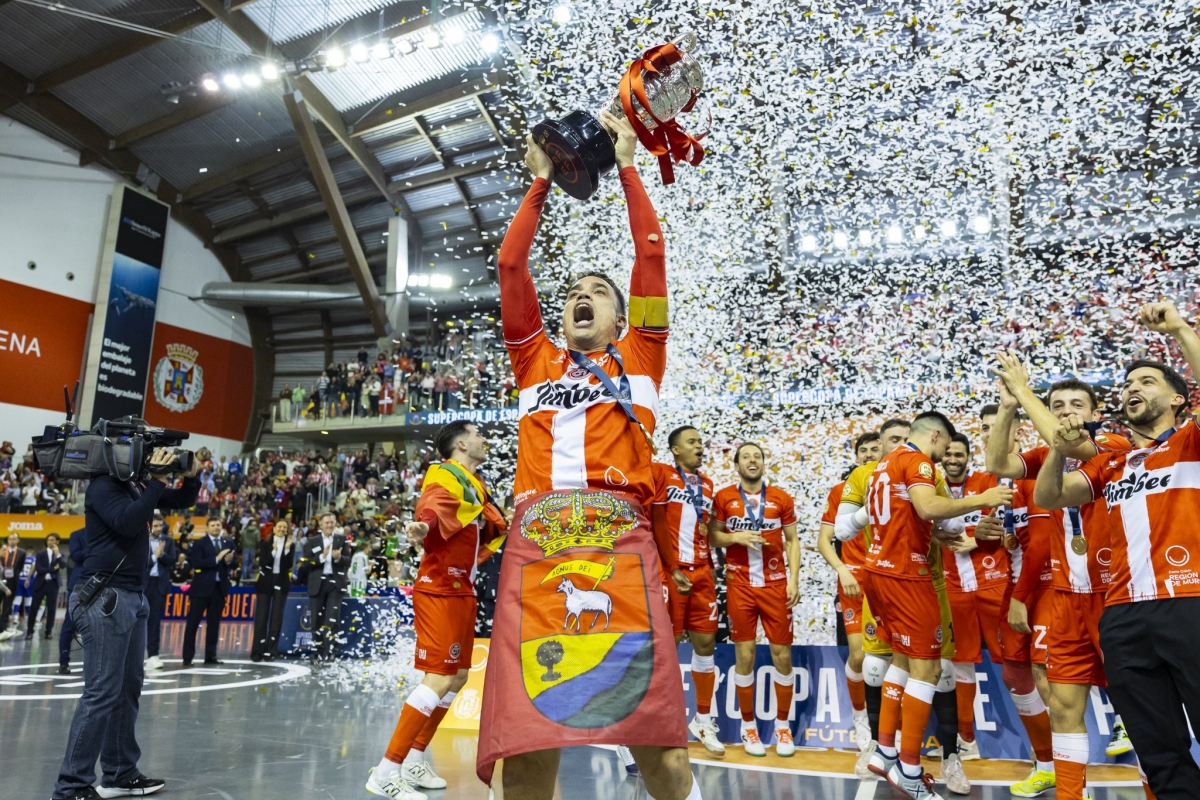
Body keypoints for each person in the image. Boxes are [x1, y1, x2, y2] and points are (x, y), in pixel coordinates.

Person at [474, 114, 697, 800]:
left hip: (620, 545)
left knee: (657, 746)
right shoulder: (532, 358)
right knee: (528, 745)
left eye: (598, 291)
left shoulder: (642, 356)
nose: (581, 295)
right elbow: (512, 264)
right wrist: (539, 182)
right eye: (574, 290)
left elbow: (650, 252)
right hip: (536, 546)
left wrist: (628, 166)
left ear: (624, 317)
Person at [1033, 301, 1200, 799]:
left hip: (1188, 601)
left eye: (1147, 382)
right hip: (1123, 612)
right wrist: (1060, 449)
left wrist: (1178, 328)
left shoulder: (1191, 442)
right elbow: (1049, 497)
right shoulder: (1114, 464)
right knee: (1156, 744)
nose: (1132, 389)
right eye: (1128, 385)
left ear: (1178, 400)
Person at [989, 356, 1133, 800]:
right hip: (1068, 596)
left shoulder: (1114, 441)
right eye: (1058, 403)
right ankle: (1073, 793)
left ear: (1093, 412)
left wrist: (1026, 390)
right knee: (1064, 705)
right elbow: (999, 462)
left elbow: (1072, 443)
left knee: (1138, 706)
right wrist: (1010, 406)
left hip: (1117, 595)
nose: (1068, 411)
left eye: (1076, 404)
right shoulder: (1049, 455)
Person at [858, 411, 1012, 799]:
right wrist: (983, 498)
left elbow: (907, 518)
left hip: (878, 571)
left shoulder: (883, 465)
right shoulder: (918, 461)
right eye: (946, 445)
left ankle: (885, 751)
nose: (946, 454)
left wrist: (940, 535)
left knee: (902, 662)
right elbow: (926, 507)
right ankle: (909, 771)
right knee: (926, 671)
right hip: (907, 577)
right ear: (937, 436)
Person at [368, 421, 506, 799]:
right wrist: (422, 527)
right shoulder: (445, 475)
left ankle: (414, 757)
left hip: (462, 590)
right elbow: (432, 505)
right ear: (461, 443)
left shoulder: (475, 486)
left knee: (459, 677)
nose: (484, 438)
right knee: (439, 679)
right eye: (477, 433)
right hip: (439, 589)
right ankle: (386, 770)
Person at [52, 448, 199, 800]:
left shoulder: (133, 485)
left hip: (132, 598)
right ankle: (71, 785)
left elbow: (180, 500)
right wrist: (156, 481)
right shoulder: (103, 486)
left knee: (127, 690)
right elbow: (128, 522)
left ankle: (119, 772)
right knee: (101, 693)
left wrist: (191, 475)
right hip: (106, 598)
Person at [986, 387, 1058, 797]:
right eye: (986, 429)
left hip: (1044, 589)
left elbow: (1043, 544)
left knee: (1050, 680)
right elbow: (1015, 538)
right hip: (1015, 586)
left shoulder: (1033, 473)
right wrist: (990, 536)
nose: (993, 433)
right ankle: (1046, 765)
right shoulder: (992, 484)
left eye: (1001, 425)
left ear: (1018, 434)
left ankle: (1070, 773)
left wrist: (1020, 598)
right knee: (1016, 675)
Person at [709, 442, 801, 758]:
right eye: (746, 456)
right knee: (744, 656)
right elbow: (713, 536)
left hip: (775, 587)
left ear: (763, 464)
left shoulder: (780, 498)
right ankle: (749, 727)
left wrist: (794, 579)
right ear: (737, 465)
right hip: (740, 586)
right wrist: (735, 537)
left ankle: (783, 727)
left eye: (757, 456)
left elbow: (793, 541)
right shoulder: (724, 498)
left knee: (782, 657)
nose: (752, 460)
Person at [937, 428, 1009, 761]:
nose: (953, 459)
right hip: (953, 589)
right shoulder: (930, 490)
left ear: (968, 457)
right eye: (948, 454)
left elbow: (1009, 524)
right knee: (960, 666)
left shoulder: (987, 481)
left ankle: (1047, 745)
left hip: (994, 582)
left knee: (1016, 661)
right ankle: (967, 740)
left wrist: (977, 541)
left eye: (959, 454)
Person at [650, 425, 720, 755]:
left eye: (701, 442)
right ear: (676, 450)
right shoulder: (662, 473)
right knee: (669, 645)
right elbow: (659, 521)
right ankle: (659, 719)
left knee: (706, 643)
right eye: (692, 442)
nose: (699, 447)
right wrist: (672, 567)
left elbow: (708, 529)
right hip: (672, 571)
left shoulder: (707, 484)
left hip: (704, 572)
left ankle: (703, 719)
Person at [815, 431, 881, 753]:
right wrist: (842, 570)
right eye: (863, 451)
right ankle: (860, 720)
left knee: (893, 659)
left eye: (875, 450)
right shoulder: (841, 491)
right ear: (856, 457)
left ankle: (889, 729)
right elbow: (823, 541)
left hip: (891, 582)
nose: (869, 455)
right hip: (854, 583)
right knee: (859, 655)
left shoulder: (896, 486)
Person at [183, 517, 235, 666]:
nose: (216, 527)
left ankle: (210, 656)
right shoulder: (200, 543)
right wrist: (216, 559)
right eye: (213, 525)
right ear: (207, 528)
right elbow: (196, 563)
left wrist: (229, 561)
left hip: (219, 590)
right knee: (192, 624)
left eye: (218, 525)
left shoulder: (228, 543)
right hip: (200, 589)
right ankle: (187, 657)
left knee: (214, 625)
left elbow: (234, 562)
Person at [303, 512, 350, 661]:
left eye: (332, 522)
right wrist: (322, 557)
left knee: (332, 619)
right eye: (327, 523)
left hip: (335, 584)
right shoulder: (312, 541)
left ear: (335, 524)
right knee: (316, 620)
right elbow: (307, 562)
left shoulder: (341, 540)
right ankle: (317, 651)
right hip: (317, 584)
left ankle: (331, 652)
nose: (329, 525)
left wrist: (338, 558)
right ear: (321, 525)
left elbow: (348, 560)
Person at [251, 520, 294, 662]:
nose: (282, 529)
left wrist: (286, 550)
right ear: (274, 529)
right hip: (265, 583)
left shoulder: (290, 545)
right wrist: (274, 550)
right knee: (261, 618)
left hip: (281, 582)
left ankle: (271, 651)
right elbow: (263, 563)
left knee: (276, 619)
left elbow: (288, 565)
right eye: (279, 526)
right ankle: (258, 651)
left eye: (284, 527)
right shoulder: (265, 544)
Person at [143, 521, 176, 671]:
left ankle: (153, 655)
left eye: (160, 525)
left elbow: (172, 561)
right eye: (155, 526)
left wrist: (161, 554)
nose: (158, 528)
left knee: (154, 622)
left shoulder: (167, 541)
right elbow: (139, 563)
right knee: (135, 621)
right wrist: (154, 557)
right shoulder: (140, 539)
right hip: (142, 585)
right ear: (149, 526)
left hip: (159, 585)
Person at [58, 527, 88, 674]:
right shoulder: (77, 534)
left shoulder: (105, 533)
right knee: (70, 624)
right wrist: (95, 549)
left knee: (98, 625)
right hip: (79, 584)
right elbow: (75, 556)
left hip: (101, 583)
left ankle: (93, 664)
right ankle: (63, 662)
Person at [26, 533, 66, 640]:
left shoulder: (60, 554)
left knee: (52, 609)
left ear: (57, 541)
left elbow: (62, 565)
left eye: (53, 540)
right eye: (48, 540)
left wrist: (57, 554)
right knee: (34, 608)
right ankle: (29, 631)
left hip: (53, 584)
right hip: (40, 584)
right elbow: (39, 569)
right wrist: (53, 569)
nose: (50, 542)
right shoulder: (40, 554)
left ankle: (48, 632)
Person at [0, 531, 26, 641]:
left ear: (18, 540)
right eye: (10, 539)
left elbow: (21, 567)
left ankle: (3, 628)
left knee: (7, 606)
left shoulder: (22, 552)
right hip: (1, 579)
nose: (12, 541)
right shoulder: (2, 550)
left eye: (14, 539)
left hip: (12, 581)